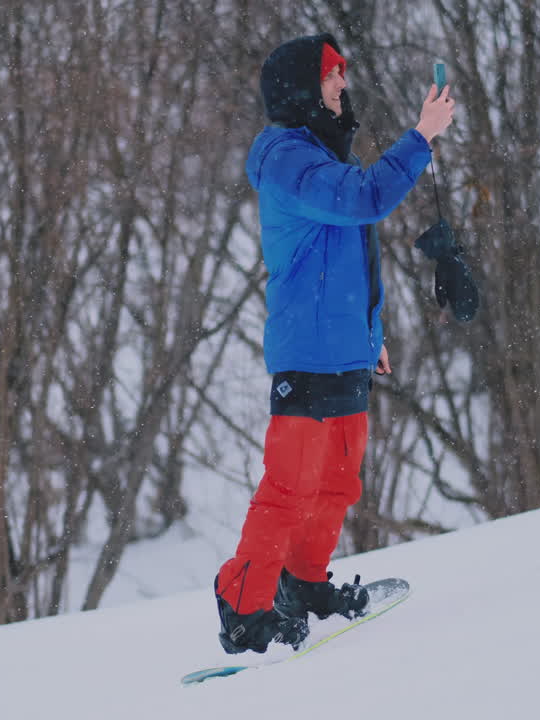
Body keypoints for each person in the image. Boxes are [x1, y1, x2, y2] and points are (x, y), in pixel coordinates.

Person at [213, 33, 457, 654]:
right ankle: (242, 606)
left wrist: (369, 336)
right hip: (305, 356)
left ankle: (303, 584)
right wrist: (422, 135)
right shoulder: (288, 159)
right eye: (332, 76)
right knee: (290, 487)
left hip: (344, 352)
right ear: (303, 88)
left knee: (337, 486)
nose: (342, 86)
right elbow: (366, 199)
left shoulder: (321, 157)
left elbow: (354, 257)